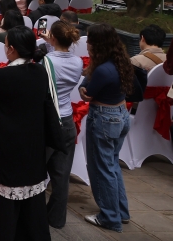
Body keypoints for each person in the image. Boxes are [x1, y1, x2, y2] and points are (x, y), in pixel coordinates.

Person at [0, 26, 54, 241]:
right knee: (32, 197)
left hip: (5, 142)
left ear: (11, 50)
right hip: (33, 142)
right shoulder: (40, 72)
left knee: (1, 200)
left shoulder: (2, 75)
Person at [81, 23, 136, 231]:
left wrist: (84, 89)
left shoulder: (103, 70)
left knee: (103, 168)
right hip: (120, 114)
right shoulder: (120, 61)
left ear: (96, 44)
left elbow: (87, 92)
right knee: (112, 165)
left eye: (88, 41)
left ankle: (110, 217)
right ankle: (120, 212)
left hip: (104, 118)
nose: (86, 45)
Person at [43, 20, 83, 228]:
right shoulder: (77, 62)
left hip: (48, 120)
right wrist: (51, 42)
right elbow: (58, 57)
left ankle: (34, 215)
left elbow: (50, 64)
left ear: (54, 38)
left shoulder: (46, 62)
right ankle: (57, 218)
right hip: (67, 118)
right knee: (61, 175)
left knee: (38, 171)